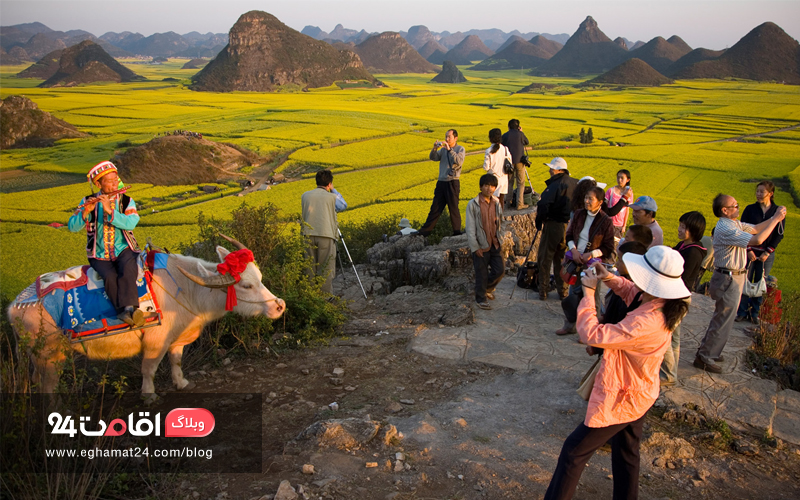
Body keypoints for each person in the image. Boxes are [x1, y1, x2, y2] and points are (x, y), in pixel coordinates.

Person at [544, 246, 691, 500]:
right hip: (640, 391)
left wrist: (589, 294)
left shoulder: (644, 322)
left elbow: (592, 334)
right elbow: (632, 291)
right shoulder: (662, 303)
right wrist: (607, 277)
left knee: (574, 451)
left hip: (623, 395)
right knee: (627, 453)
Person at [694, 193, 786, 373]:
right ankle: (705, 356)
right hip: (728, 278)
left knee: (724, 318)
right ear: (725, 210)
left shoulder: (734, 223)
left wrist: (775, 218)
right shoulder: (725, 229)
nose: (738, 207)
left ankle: (711, 350)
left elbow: (757, 229)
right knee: (723, 318)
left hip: (734, 276)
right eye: (734, 206)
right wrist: (775, 219)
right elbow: (757, 240)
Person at [68, 161, 143, 327]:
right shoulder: (88, 201)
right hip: (98, 253)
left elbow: (131, 223)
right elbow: (72, 227)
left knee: (128, 269)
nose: (114, 183)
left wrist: (110, 211)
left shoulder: (126, 200)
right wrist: (86, 212)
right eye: (109, 181)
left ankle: (132, 308)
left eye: (115, 179)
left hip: (123, 248)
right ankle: (122, 312)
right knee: (109, 277)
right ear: (98, 184)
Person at [557, 186, 615, 335]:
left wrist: (591, 254)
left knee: (592, 297)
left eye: (591, 198)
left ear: (600, 202)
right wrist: (574, 250)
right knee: (572, 294)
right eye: (586, 198)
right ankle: (570, 325)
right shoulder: (578, 214)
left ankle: (590, 331)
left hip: (592, 264)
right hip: (576, 260)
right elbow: (569, 235)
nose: (587, 201)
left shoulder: (606, 221)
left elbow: (608, 247)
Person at [660, 211, 707, 385]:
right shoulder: (684, 245)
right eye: (680, 225)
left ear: (693, 230)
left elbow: (682, 278)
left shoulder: (693, 252)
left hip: (678, 297)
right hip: (675, 295)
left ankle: (669, 374)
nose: (679, 229)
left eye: (683, 227)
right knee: (673, 337)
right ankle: (670, 370)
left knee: (668, 336)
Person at [736, 181, 785, 323]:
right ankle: (742, 311)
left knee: (760, 282)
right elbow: (743, 230)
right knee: (745, 280)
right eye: (757, 191)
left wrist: (768, 252)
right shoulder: (750, 209)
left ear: (770, 194)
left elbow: (779, 234)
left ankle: (755, 313)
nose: (758, 194)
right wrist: (749, 250)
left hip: (766, 254)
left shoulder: (778, 213)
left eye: (762, 192)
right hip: (750, 251)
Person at [535, 157, 579, 301]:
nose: (549, 171)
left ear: (559, 170)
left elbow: (543, 205)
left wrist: (539, 221)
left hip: (553, 224)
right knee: (562, 259)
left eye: (552, 168)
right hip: (570, 226)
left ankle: (543, 290)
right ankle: (563, 291)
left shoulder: (554, 185)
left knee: (545, 258)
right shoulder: (576, 184)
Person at [301, 170, 348, 295]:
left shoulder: (305, 195)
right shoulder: (332, 197)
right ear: (329, 183)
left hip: (307, 234)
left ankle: (310, 295)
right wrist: (333, 190)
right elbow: (343, 205)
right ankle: (325, 297)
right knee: (325, 267)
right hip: (326, 234)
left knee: (309, 267)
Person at [466, 174, 505, 310]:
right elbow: (470, 228)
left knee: (500, 269)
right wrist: (475, 247)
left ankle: (486, 289)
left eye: (492, 186)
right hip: (481, 244)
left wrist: (501, 238)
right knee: (481, 273)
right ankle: (480, 299)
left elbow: (500, 222)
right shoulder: (473, 204)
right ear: (481, 186)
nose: (489, 188)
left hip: (495, 242)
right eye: (486, 185)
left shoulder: (496, 202)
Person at [417, 129, 466, 236]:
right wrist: (435, 148)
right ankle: (425, 231)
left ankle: (457, 232)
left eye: (449, 137)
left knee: (453, 208)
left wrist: (450, 150)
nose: (446, 139)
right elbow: (433, 157)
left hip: (453, 182)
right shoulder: (443, 150)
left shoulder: (460, 149)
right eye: (446, 137)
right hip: (441, 182)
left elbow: (459, 161)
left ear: (455, 138)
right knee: (435, 208)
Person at [501, 119, 530, 210]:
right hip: (520, 161)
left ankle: (508, 203)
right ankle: (519, 204)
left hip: (509, 162)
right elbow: (526, 142)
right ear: (518, 127)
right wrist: (521, 132)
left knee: (509, 182)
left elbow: (501, 146)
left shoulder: (505, 135)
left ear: (509, 126)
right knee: (520, 183)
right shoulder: (520, 134)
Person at [482, 128, 512, 208]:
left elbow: (486, 167)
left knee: (492, 202)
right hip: (504, 179)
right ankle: (500, 218)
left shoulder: (489, 151)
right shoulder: (505, 149)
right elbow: (510, 163)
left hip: (493, 180)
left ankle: (493, 219)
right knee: (501, 201)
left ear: (490, 138)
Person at [605, 169, 634, 238]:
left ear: (628, 180)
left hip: (619, 225)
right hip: (609, 223)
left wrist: (624, 225)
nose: (619, 180)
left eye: (622, 178)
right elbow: (604, 206)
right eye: (618, 177)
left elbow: (627, 210)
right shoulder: (610, 191)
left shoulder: (629, 193)